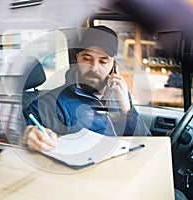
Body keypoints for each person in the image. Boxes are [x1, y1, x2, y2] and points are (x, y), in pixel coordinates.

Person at [22, 25, 151, 152]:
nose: (94, 68)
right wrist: (28, 134)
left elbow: (147, 143)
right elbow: (23, 130)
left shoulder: (120, 94)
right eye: (87, 59)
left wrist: (127, 110)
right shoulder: (53, 103)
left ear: (114, 65)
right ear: (77, 57)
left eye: (103, 61)